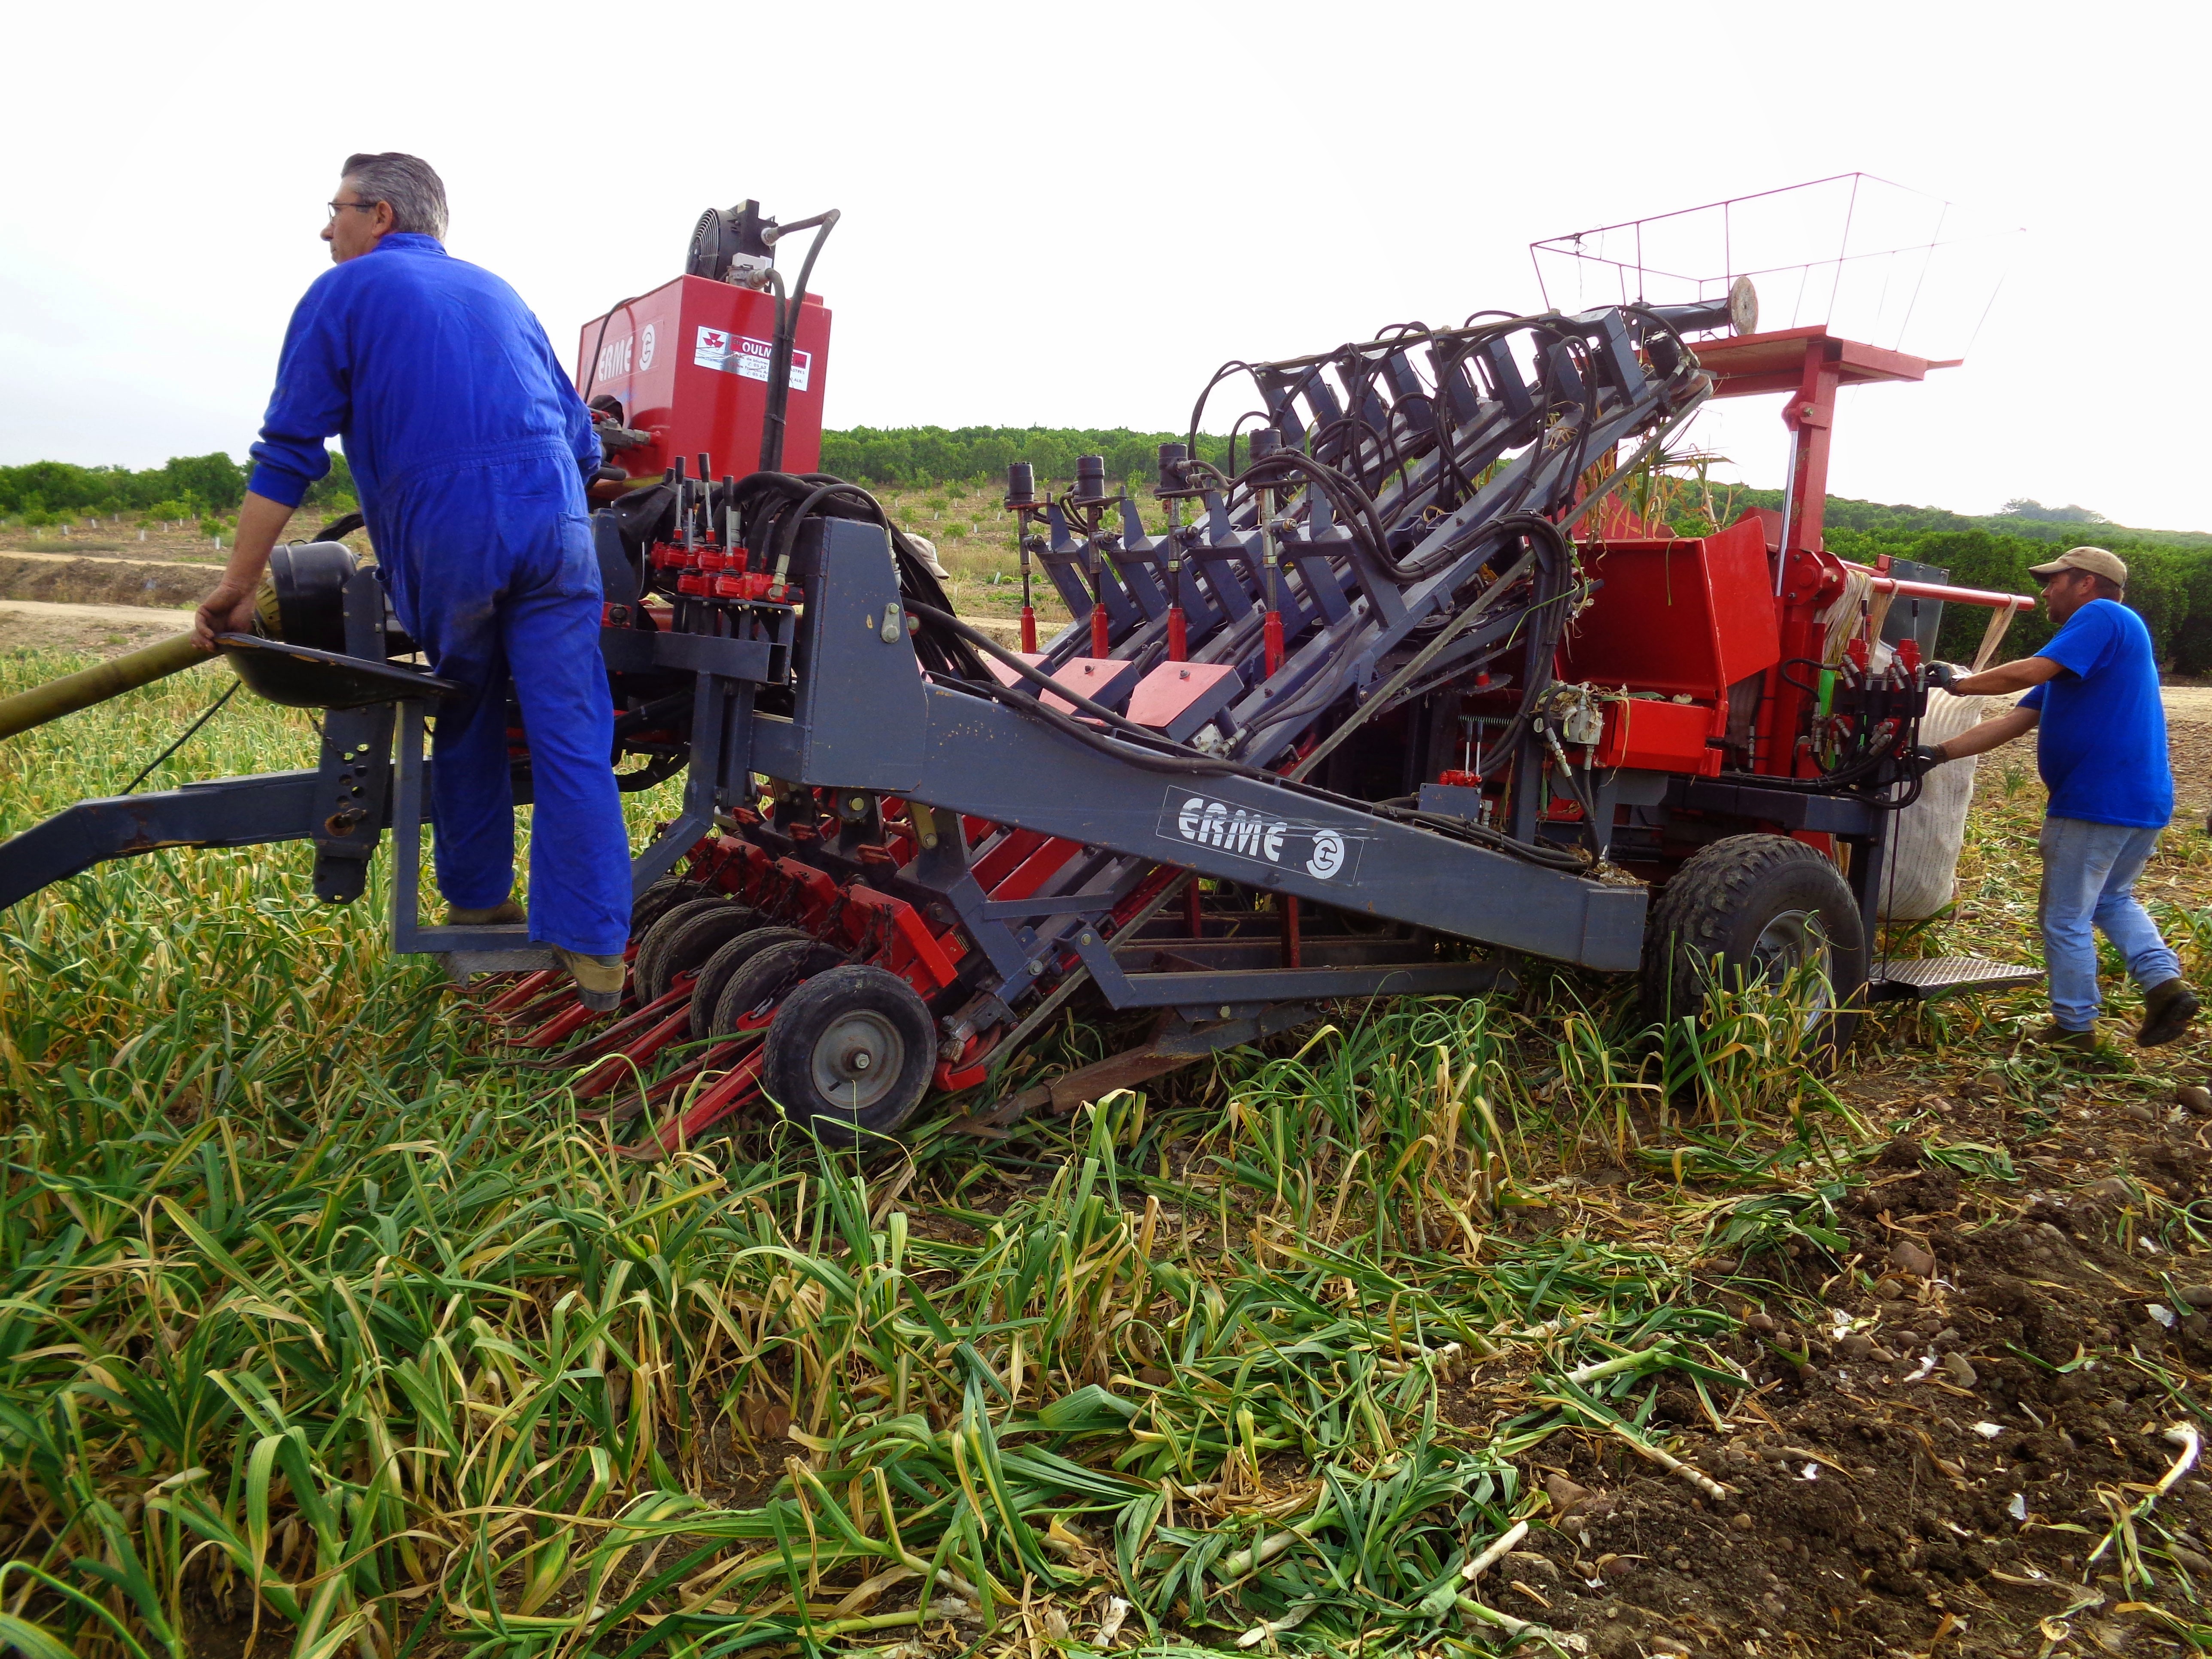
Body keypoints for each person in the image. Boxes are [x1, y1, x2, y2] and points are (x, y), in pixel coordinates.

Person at [191, 153, 632, 1009]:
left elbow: (289, 453)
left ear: (380, 214)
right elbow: (585, 448)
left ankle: (479, 903)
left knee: (465, 706)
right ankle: (595, 952)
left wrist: (238, 587)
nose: (326, 228)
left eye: (335, 209)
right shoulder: (501, 293)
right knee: (573, 730)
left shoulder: (342, 293)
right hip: (556, 529)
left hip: (452, 532)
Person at [1917, 546, 2197, 1052]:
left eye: (2054, 581)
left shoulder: (2103, 615)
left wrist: (1957, 684)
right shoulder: (2081, 662)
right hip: (2142, 800)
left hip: (2095, 797)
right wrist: (1936, 753)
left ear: (2085, 582)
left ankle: (2074, 1027)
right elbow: (2014, 721)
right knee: (2111, 899)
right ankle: (2165, 986)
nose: (2046, 591)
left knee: (2063, 916)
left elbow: (2025, 672)